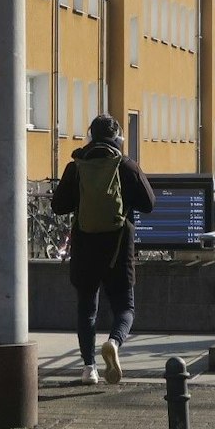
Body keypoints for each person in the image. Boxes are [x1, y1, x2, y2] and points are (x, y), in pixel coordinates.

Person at [51, 115, 156, 385]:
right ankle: (114, 342)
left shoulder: (76, 167)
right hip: (119, 246)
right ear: (118, 138)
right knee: (125, 307)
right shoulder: (126, 166)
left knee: (87, 309)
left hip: (85, 246)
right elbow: (149, 203)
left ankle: (89, 368)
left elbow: (58, 206)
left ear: (89, 137)